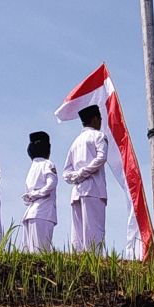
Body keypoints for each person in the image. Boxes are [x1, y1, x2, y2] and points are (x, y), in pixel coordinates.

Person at [64, 104, 108, 253]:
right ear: (95, 119)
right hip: (93, 188)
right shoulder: (99, 136)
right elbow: (101, 158)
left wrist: (76, 176)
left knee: (78, 232)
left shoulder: (75, 142)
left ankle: (78, 263)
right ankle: (93, 263)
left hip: (77, 190)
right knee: (94, 229)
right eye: (100, 118)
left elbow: (66, 172)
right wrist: (83, 173)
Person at [21, 131, 58, 252]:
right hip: (43, 212)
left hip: (30, 213)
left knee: (30, 254)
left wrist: (32, 195)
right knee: (40, 252)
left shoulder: (31, 168)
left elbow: (27, 196)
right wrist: (35, 194)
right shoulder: (47, 164)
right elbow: (51, 184)